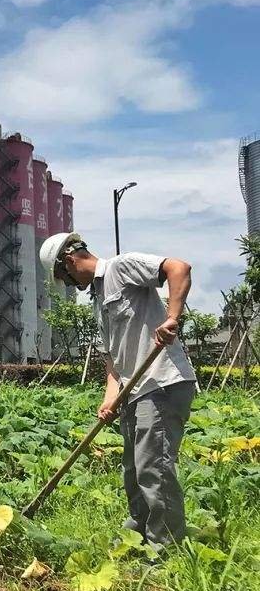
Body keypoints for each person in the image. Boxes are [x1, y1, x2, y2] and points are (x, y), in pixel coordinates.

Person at [40, 232, 196, 548]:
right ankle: (136, 535)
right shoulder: (98, 302)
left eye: (63, 278)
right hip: (133, 391)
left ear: (69, 261)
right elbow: (112, 361)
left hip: (161, 382)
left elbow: (179, 268)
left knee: (154, 469)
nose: (69, 285)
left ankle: (164, 548)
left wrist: (172, 318)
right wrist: (109, 399)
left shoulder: (121, 268)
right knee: (134, 469)